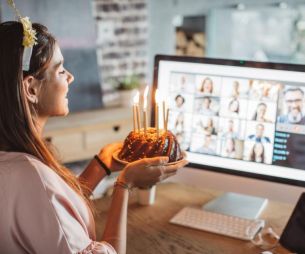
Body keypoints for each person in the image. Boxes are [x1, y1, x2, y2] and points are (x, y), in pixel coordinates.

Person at [0, 21, 188, 254]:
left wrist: (102, 164)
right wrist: (124, 184)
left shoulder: (12, 160)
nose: (71, 77)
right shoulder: (31, 176)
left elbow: (56, 211)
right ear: (30, 89)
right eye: (60, 70)